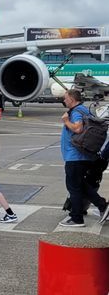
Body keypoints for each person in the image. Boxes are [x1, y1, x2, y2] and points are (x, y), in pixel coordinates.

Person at [58, 89, 107, 227]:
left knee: (74, 187)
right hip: (83, 155)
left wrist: (66, 121)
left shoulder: (76, 112)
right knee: (80, 186)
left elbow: (78, 129)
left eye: (66, 98)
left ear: (72, 99)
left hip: (75, 157)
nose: (64, 101)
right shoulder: (84, 110)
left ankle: (77, 218)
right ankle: (103, 206)